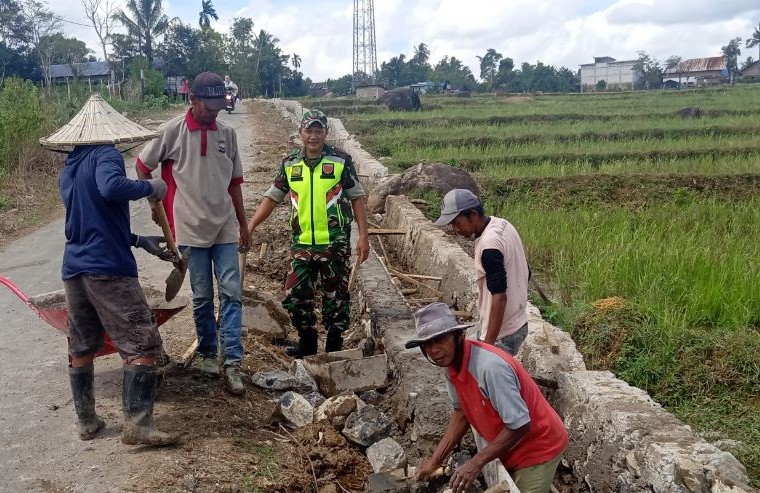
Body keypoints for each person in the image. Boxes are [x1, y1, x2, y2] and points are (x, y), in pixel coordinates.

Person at [39, 94, 179, 446]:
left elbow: (92, 217)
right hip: (107, 270)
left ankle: (87, 423)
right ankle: (138, 426)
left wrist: (137, 239)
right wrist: (152, 186)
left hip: (75, 268)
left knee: (82, 343)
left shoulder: (71, 166)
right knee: (142, 340)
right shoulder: (107, 154)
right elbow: (111, 187)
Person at [135, 71, 251, 395]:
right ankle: (207, 354)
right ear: (193, 99)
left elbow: (235, 184)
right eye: (208, 106)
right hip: (188, 229)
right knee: (202, 296)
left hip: (224, 226)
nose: (214, 112)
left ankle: (232, 363)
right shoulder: (172, 132)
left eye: (218, 106)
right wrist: (155, 204)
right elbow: (142, 167)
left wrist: (243, 224)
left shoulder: (228, 134)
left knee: (232, 294)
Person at [407, 302, 567, 493]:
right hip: (510, 446)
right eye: (427, 344)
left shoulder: (490, 367)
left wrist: (476, 463)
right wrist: (435, 460)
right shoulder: (450, 367)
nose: (434, 350)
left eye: (440, 339)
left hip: (538, 447)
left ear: (459, 336)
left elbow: (520, 424)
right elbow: (461, 413)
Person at [247, 110, 370, 358]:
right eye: (309, 131)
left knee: (336, 299)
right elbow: (272, 198)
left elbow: (357, 198)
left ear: (326, 133)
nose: (313, 136)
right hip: (301, 243)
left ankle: (333, 349)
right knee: (295, 295)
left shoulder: (340, 161)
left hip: (334, 243)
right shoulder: (290, 164)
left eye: (318, 131)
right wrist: (250, 227)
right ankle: (308, 343)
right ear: (301, 133)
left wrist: (363, 237)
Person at [434, 189, 530, 355]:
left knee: (483, 368)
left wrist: (488, 348)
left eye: (457, 222)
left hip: (503, 334)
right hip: (518, 322)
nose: (455, 229)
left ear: (473, 215)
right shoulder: (502, 224)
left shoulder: (489, 245)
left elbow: (499, 298)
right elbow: (526, 271)